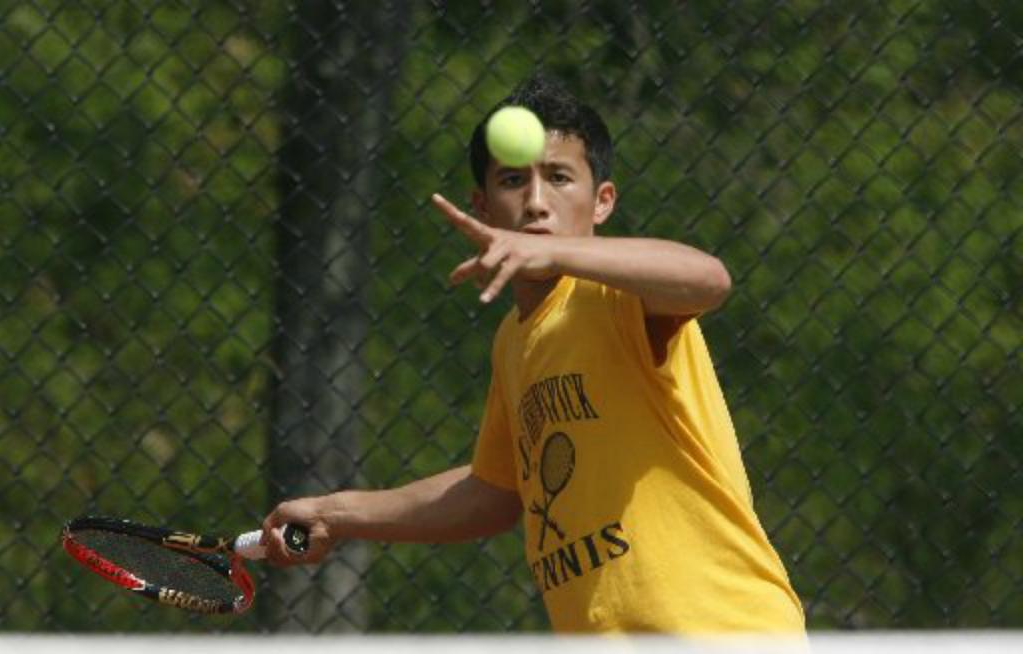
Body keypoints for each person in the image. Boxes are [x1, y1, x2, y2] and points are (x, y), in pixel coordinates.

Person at [261, 73, 805, 634]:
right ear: (482, 206)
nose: (537, 202)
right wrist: (337, 514)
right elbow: (493, 491)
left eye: (559, 178)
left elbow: (709, 280)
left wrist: (558, 256)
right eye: (513, 180)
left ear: (602, 202)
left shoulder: (617, 296)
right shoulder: (513, 342)